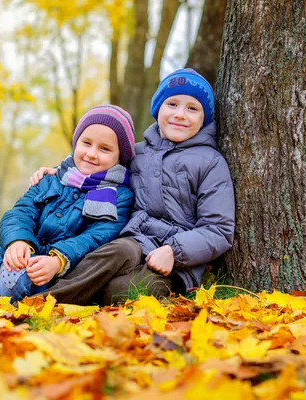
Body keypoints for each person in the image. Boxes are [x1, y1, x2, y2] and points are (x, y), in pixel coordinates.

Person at [30, 68, 235, 305]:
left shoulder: (211, 162)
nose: (180, 114)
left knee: (117, 292)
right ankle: (39, 303)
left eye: (192, 108)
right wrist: (57, 172)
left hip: (176, 262)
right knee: (115, 252)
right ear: (158, 109)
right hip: (134, 241)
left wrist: (174, 252)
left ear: (204, 118)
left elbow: (218, 229)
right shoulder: (137, 153)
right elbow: (96, 165)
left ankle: (60, 301)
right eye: (172, 104)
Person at [0, 105, 136, 303]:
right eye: (87, 143)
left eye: (105, 149)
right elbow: (20, 213)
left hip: (52, 276)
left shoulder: (119, 196)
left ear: (119, 156)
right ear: (76, 143)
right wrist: (18, 241)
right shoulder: (50, 179)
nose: (92, 154)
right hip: (10, 261)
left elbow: (96, 237)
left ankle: (9, 300)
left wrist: (58, 260)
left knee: (15, 282)